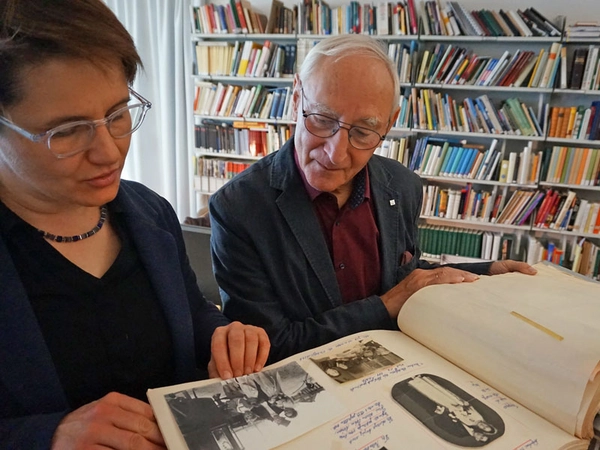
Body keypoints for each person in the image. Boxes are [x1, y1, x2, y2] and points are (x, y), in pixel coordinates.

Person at [0, 1, 270, 448]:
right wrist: (46, 436)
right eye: (66, 131)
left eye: (118, 114)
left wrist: (221, 335)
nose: (109, 153)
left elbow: (190, 313)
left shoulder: (150, 213)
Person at [209, 33, 536, 363]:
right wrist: (384, 306)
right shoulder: (238, 209)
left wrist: (485, 273)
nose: (336, 154)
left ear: (389, 125)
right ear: (296, 98)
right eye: (322, 120)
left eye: (363, 132)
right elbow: (270, 347)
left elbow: (401, 276)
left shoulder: (403, 185)